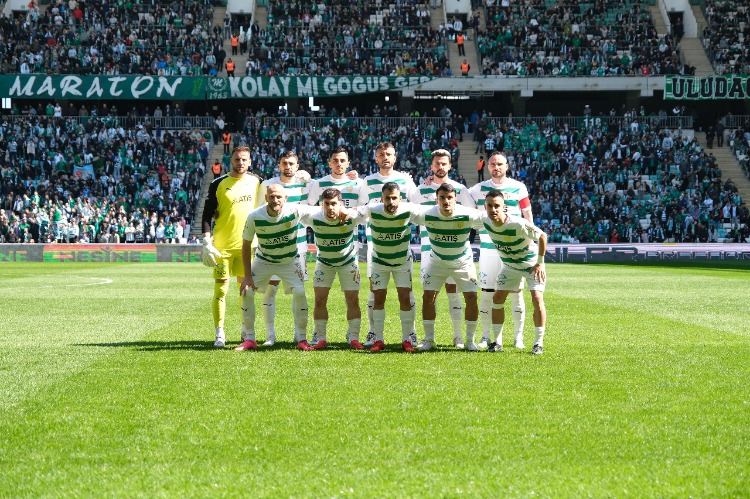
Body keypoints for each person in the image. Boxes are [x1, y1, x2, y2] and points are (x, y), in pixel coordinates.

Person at [239, 184, 318, 351]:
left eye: (279, 197)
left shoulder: (295, 210)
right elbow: (245, 245)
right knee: (247, 291)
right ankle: (250, 338)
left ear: (285, 198)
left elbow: (320, 210)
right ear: (266, 198)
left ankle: (302, 339)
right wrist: (247, 276)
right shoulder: (254, 216)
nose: (275, 200)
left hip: (289, 261)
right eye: (272, 196)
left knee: (300, 292)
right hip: (264, 261)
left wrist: (343, 211)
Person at [469, 151, 533, 350]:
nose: (496, 167)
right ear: (487, 167)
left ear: (507, 166)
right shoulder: (477, 189)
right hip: (489, 249)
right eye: (492, 164)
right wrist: (431, 180)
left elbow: (527, 214)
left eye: (500, 164)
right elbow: (456, 193)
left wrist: (529, 242)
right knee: (487, 294)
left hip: (514, 250)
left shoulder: (519, 187)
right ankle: (487, 336)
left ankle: (518, 337)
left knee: (516, 293)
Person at [358, 142, 419, 347]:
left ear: (395, 157)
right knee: (374, 292)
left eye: (389, 154)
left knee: (406, 292)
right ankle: (373, 333)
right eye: (381, 154)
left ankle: (410, 333)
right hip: (375, 242)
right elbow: (360, 206)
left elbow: (417, 202)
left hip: (400, 242)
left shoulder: (406, 180)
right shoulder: (367, 181)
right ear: (376, 158)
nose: (385, 157)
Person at [201, 146, 262, 349]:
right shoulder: (218, 183)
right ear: (231, 161)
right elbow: (207, 213)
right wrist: (206, 241)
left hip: (247, 246)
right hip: (222, 247)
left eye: (244, 159)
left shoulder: (257, 182)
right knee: (221, 290)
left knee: (245, 290)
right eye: (237, 159)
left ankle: (245, 328)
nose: (241, 162)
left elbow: (277, 192)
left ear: (250, 161)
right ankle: (219, 332)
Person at [411, 184, 483, 351]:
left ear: (455, 198)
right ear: (436, 199)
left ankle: (470, 341)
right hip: (437, 262)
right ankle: (429, 339)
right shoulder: (427, 214)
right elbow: (407, 211)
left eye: (449, 197)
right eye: (442, 197)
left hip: (462, 263)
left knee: (471, 298)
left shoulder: (468, 214)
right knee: (428, 297)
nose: (446, 201)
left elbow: (488, 219)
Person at [474, 190, 547, 354]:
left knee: (537, 299)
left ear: (504, 207)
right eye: (490, 206)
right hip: (510, 265)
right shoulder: (485, 220)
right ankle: (497, 342)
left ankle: (538, 344)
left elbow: (542, 236)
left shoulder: (518, 223)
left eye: (497, 206)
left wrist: (540, 263)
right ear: (485, 207)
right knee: (497, 298)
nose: (493, 209)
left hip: (530, 264)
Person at [415, 149, 476, 348]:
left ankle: (458, 336)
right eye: (437, 163)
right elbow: (410, 213)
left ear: (450, 166)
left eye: (444, 163)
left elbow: (471, 214)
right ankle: (428, 338)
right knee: (429, 294)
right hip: (429, 248)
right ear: (431, 166)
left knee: (453, 290)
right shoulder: (420, 189)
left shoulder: (460, 189)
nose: (440, 167)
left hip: (455, 249)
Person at [256, 152, 312, 345]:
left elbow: (326, 185)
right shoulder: (269, 185)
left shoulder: (306, 184)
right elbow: (258, 211)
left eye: (291, 163)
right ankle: (270, 335)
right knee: (271, 290)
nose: (287, 166)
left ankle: (299, 334)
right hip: (272, 248)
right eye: (284, 163)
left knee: (298, 291)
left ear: (297, 166)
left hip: (298, 247)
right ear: (279, 165)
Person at [300, 189, 365, 350]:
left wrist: (350, 210)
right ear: (322, 204)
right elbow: (296, 210)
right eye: (326, 204)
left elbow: (368, 210)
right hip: (324, 263)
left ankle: (354, 338)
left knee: (352, 300)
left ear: (340, 203)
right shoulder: (314, 217)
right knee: (320, 300)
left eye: (334, 204)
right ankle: (321, 338)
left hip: (348, 262)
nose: (330, 207)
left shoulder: (350, 217)